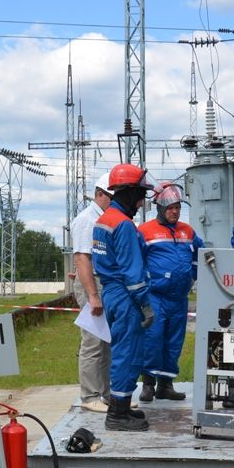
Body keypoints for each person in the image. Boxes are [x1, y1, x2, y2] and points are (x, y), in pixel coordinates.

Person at [93, 163, 154, 431]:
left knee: (121, 351)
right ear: (128, 192)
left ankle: (122, 406)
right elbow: (133, 272)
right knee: (127, 354)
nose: (141, 202)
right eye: (140, 195)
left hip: (112, 293)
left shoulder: (103, 220)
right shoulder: (125, 225)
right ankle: (117, 414)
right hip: (127, 297)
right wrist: (145, 304)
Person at [137, 182, 203, 402]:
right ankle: (148, 384)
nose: (174, 211)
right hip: (155, 296)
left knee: (174, 342)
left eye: (177, 207)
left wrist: (193, 274)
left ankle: (166, 385)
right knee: (153, 339)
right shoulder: (145, 231)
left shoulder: (188, 230)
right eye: (170, 208)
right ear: (159, 208)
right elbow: (136, 261)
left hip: (179, 298)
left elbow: (202, 254)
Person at [71, 173, 113, 413]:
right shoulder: (88, 220)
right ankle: (90, 395)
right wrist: (93, 296)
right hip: (92, 284)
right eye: (111, 198)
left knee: (106, 342)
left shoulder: (104, 219)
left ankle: (105, 394)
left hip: (101, 282)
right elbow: (82, 259)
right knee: (93, 342)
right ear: (100, 194)